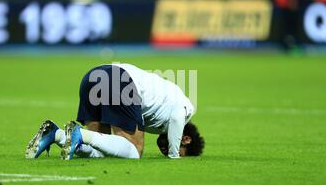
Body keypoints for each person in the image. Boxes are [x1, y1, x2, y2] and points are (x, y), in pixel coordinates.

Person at [25, 63, 204, 160]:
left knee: (101, 150)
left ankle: (55, 135)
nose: (164, 152)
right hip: (121, 80)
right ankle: (79, 134)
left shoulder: (161, 113)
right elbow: (177, 117)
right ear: (185, 139)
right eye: (180, 150)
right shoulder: (187, 108)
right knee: (135, 152)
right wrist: (174, 156)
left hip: (95, 74)